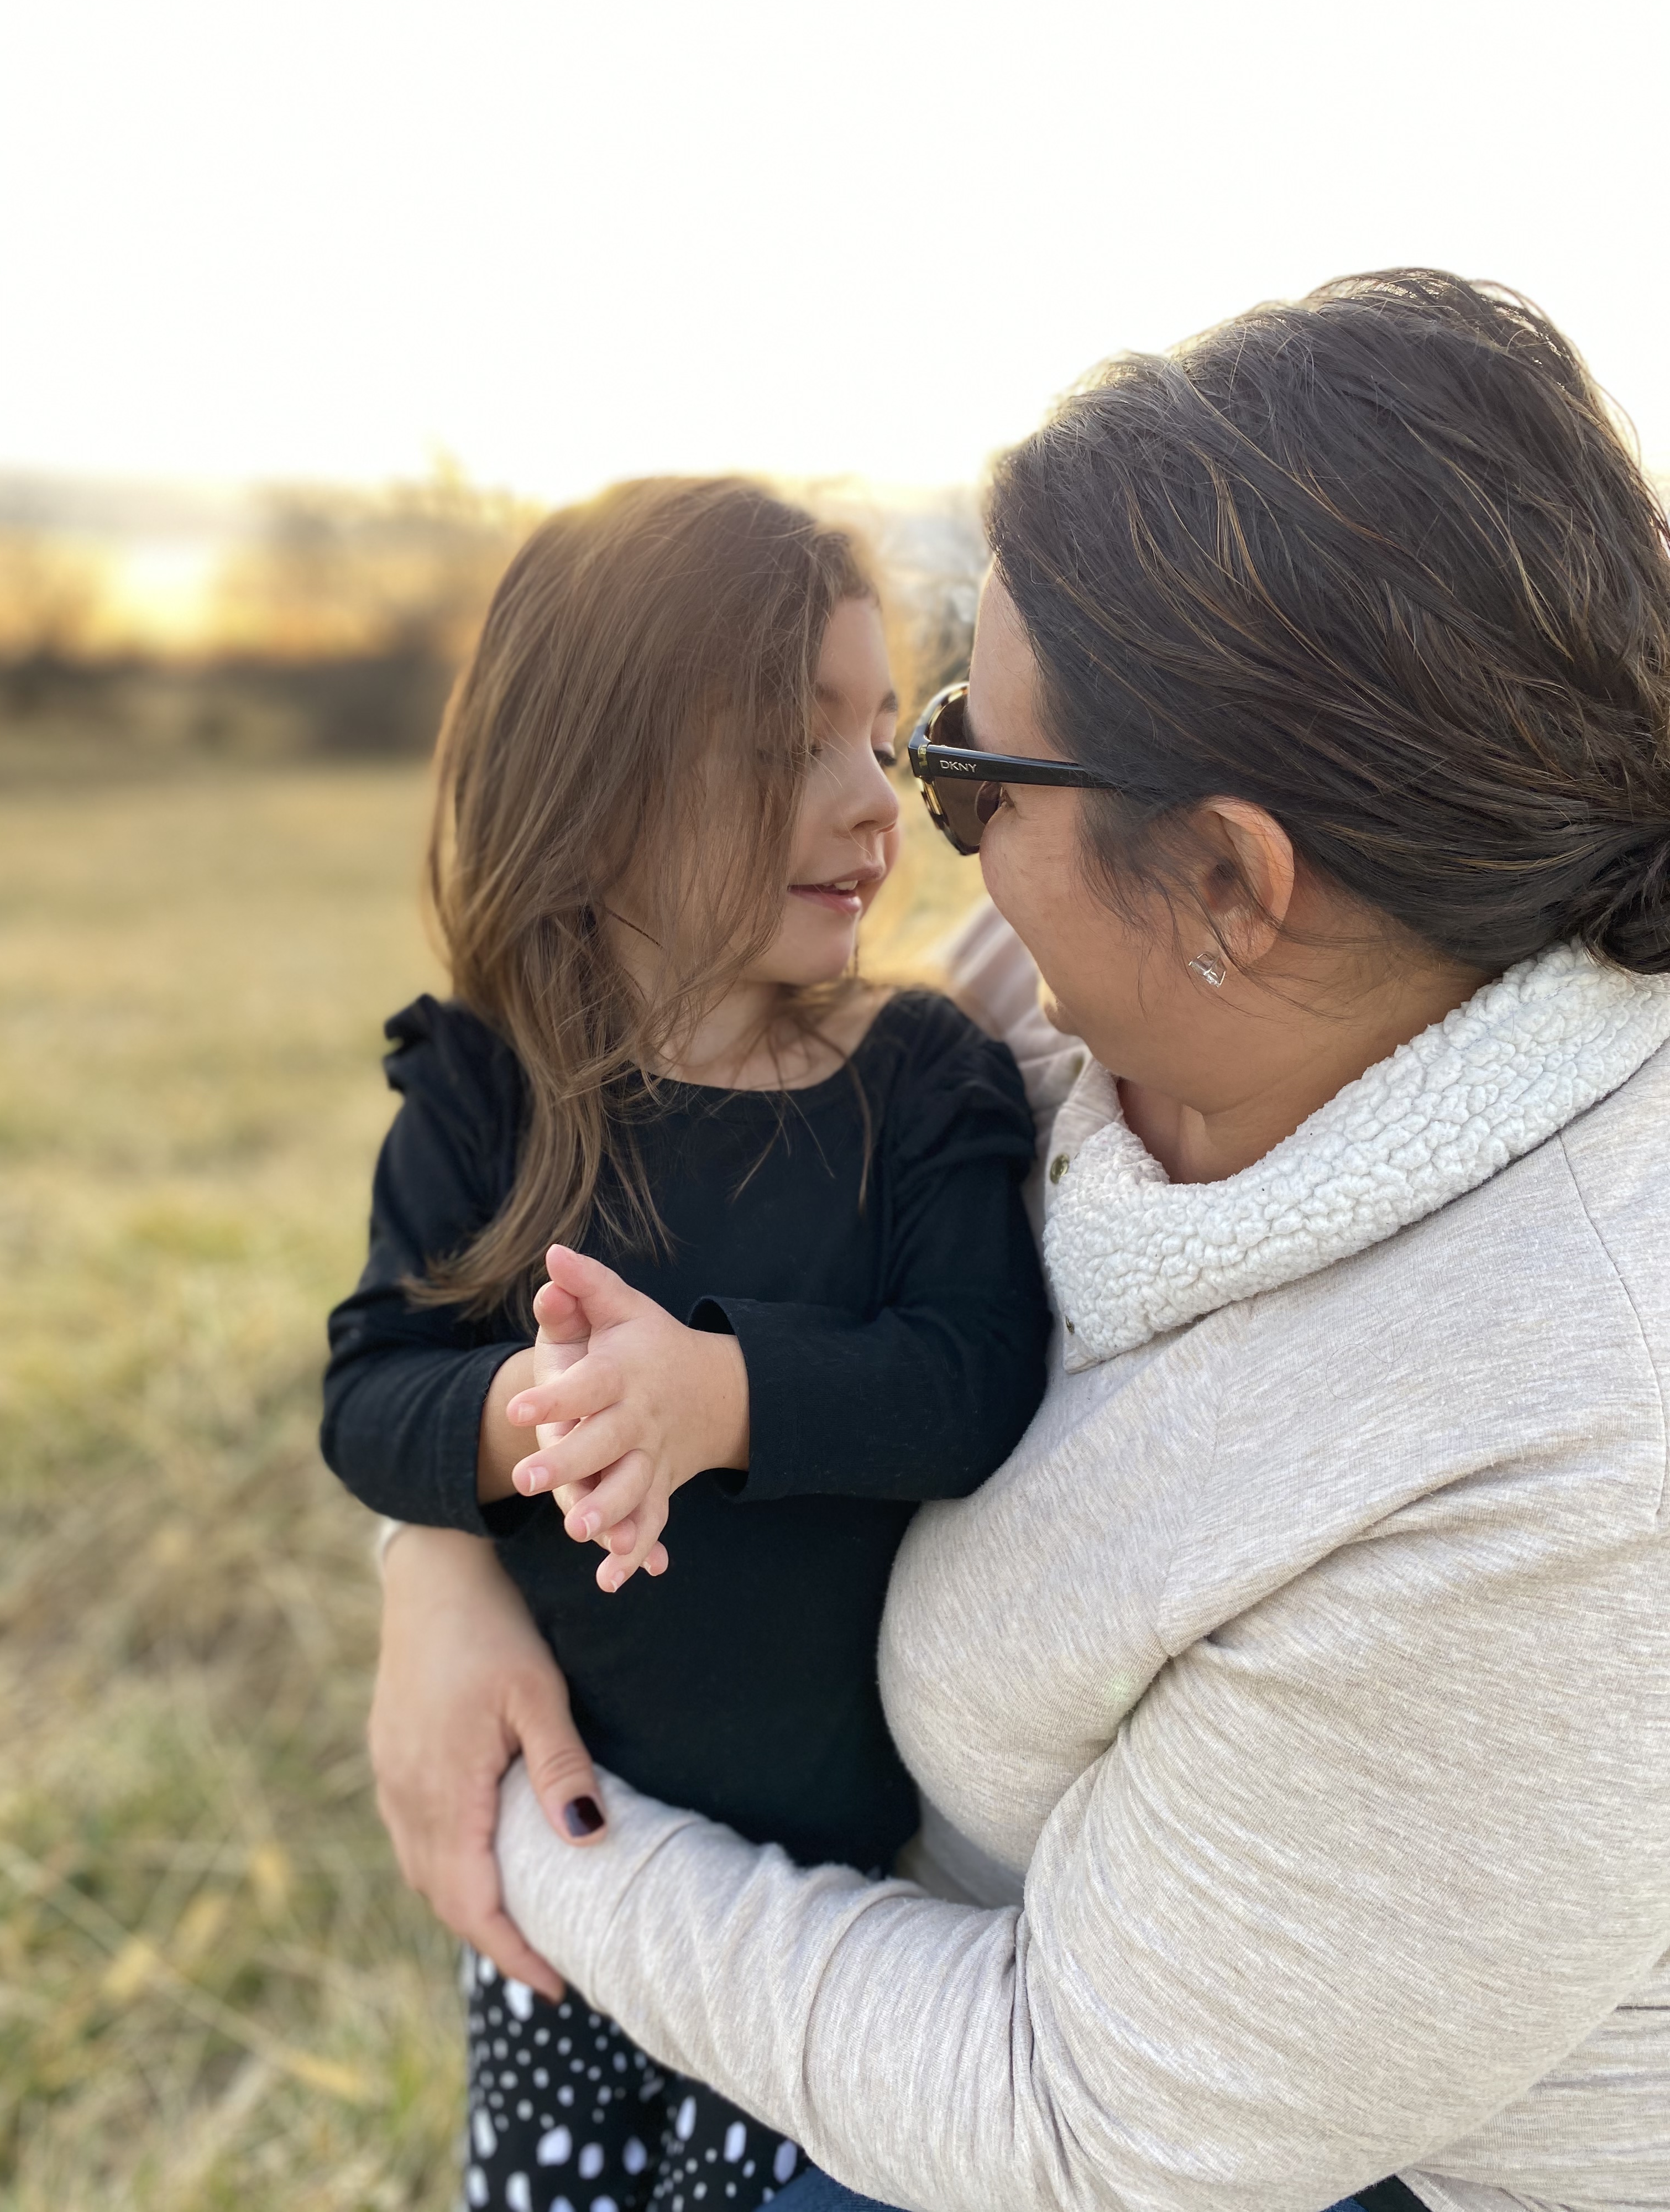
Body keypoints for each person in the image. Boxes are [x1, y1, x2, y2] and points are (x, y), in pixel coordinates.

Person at [370, 273, 1670, 2212]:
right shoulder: (1105, 1007)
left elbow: (1073, 2128)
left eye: (967, 762)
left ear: (1229, 878)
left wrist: (535, 1832)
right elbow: (502, 1292)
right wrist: (439, 1562)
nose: (914, 816)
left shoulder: (1573, 1449)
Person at [321, 474, 1050, 2212]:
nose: (874, 801)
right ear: (590, 788)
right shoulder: (488, 1089)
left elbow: (971, 1380)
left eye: (879, 735)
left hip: (833, 1919)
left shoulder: (921, 1082)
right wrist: (531, 1413)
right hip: (577, 1882)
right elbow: (369, 1387)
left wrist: (708, 1397)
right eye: (786, 747)